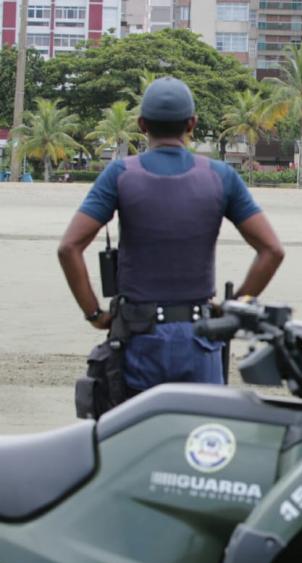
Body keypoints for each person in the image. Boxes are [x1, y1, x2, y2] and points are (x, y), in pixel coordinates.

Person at [58, 76, 285, 396]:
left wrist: (95, 313)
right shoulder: (221, 176)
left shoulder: (120, 174)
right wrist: (231, 308)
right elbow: (272, 250)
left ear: (141, 124)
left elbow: (69, 247)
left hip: (139, 340)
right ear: (191, 123)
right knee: (201, 439)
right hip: (199, 338)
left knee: (139, 439)